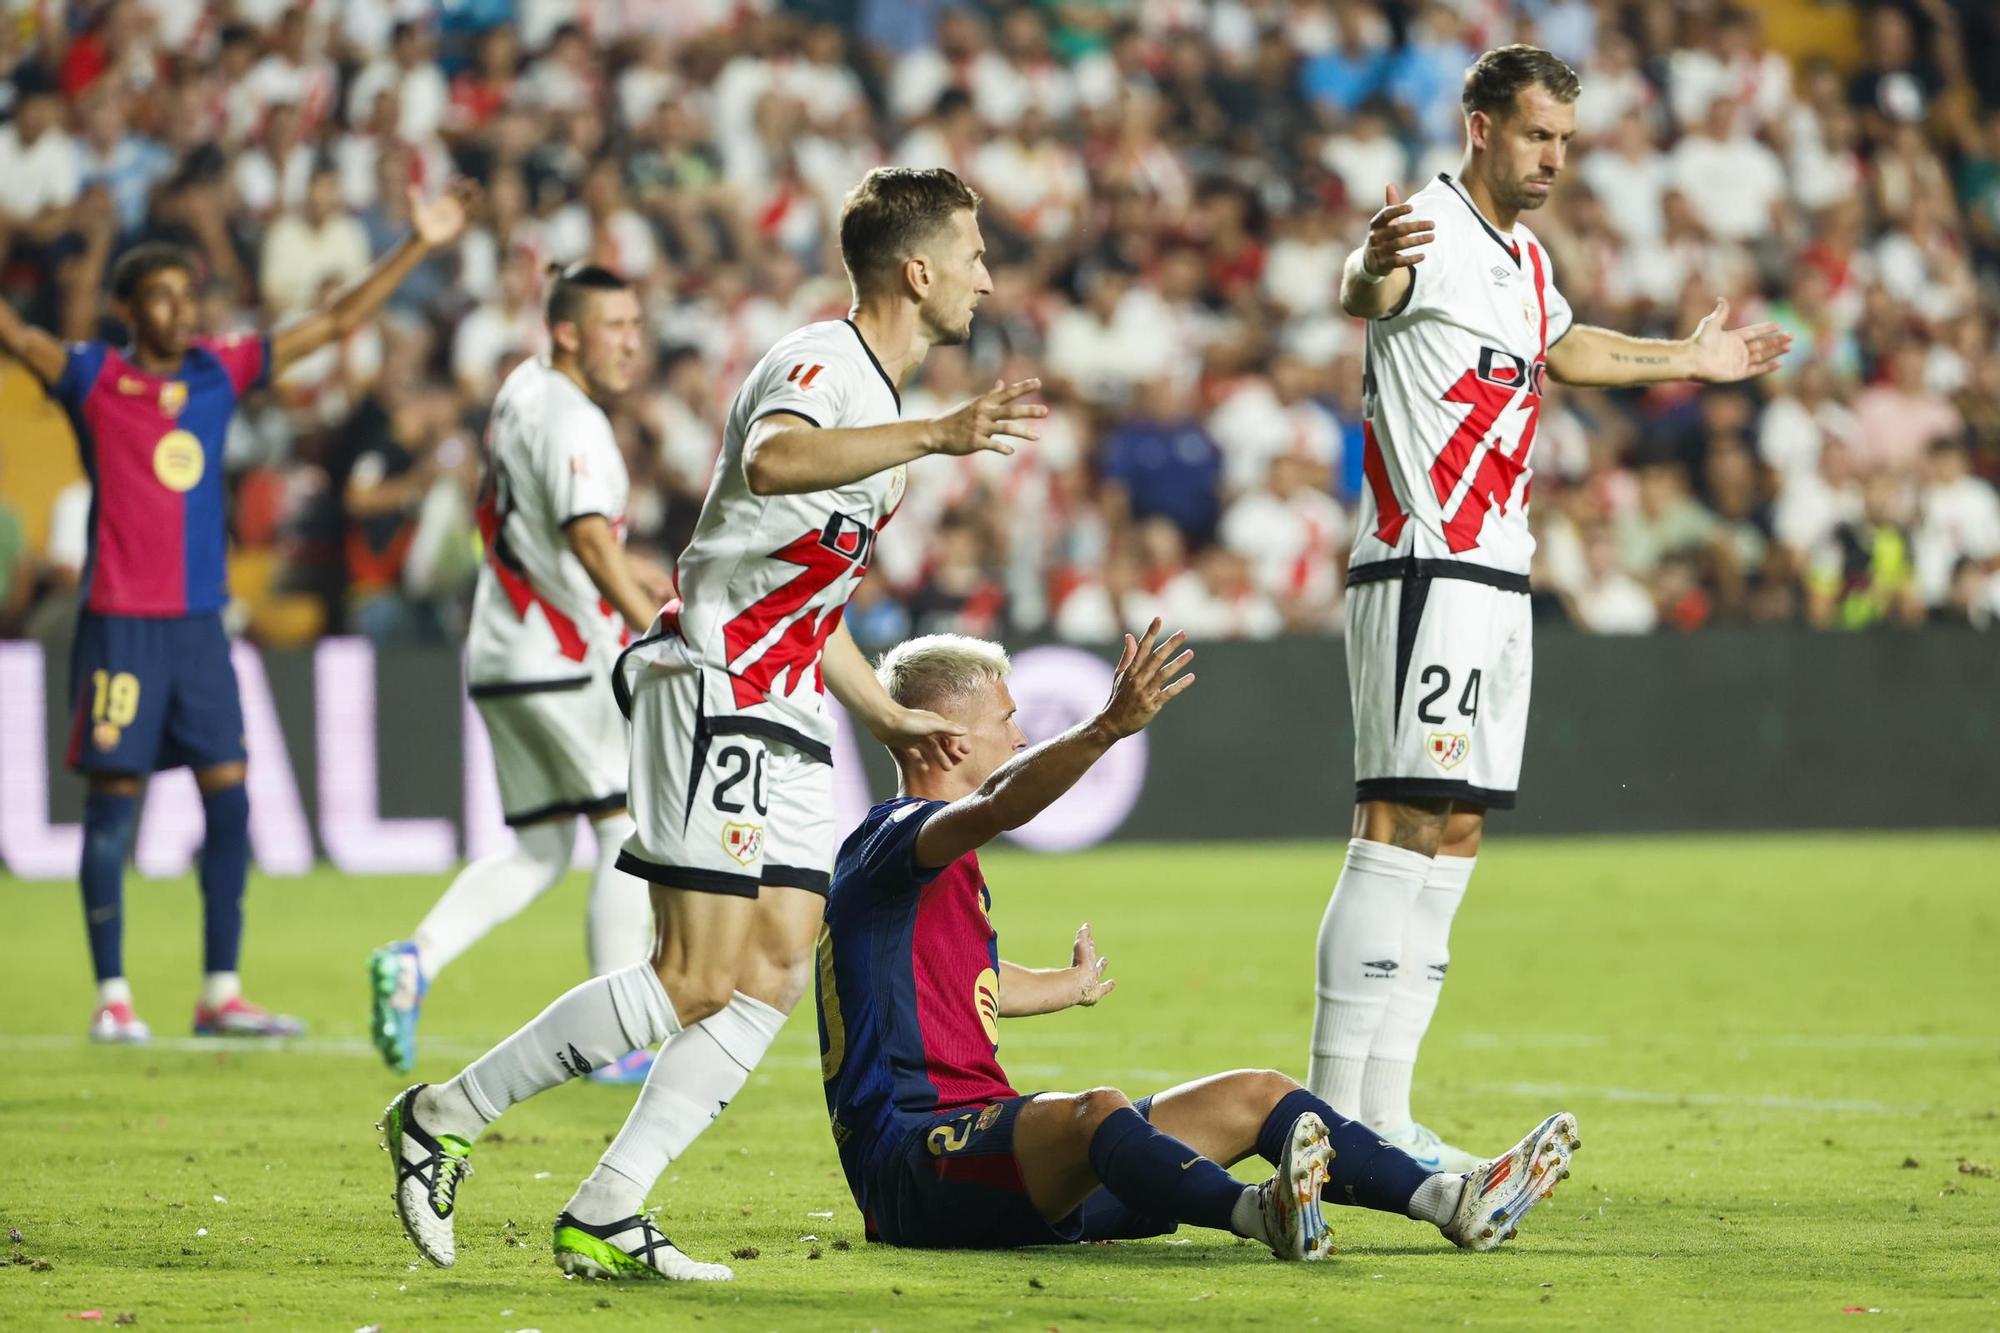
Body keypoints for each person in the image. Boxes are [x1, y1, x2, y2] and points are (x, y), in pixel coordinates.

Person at [378, 167, 1048, 1280]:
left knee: (774, 970)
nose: (987, 277)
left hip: (787, 703)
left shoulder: (883, 419)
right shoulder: (822, 363)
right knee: (692, 974)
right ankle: (441, 1115)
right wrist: (936, 435)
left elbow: (811, 601)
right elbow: (768, 458)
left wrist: (887, 713)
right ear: (918, 270)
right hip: (714, 683)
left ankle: (609, 1207)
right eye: (973, 255)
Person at [1321, 45, 1790, 1169]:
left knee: (1458, 827)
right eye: (1537, 134)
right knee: (1398, 818)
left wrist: (1689, 358)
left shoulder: (1527, 260)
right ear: (1480, 126)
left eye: (1565, 141)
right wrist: (1368, 260)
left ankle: (1386, 1113)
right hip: (1426, 561)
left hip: (1499, 572)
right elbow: (1365, 291)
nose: (1553, 159)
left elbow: (1562, 347)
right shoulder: (1426, 230)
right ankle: (1327, 1120)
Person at [818, 627, 1580, 1257]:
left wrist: (1066, 985)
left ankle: (1451, 1198)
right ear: (949, 739)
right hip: (918, 1167)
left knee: (1257, 1093)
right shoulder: (896, 836)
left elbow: (964, 981)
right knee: (1093, 1110)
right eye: (1007, 719)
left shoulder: (918, 865)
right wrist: (1105, 727)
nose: (1021, 735)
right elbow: (998, 803)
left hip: (996, 1170)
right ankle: (1258, 1211)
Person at [0, 183, 475, 1044]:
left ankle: (220, 991)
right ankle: (113, 996)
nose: (181, 311)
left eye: (188, 295)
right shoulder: (95, 377)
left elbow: (334, 323)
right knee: (112, 806)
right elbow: (18, 335)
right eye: (161, 297)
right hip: (122, 621)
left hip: (201, 627)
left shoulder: (221, 370)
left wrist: (417, 242)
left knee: (230, 801)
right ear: (126, 310)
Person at [365, 264, 673, 1083]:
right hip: (562, 657)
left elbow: (551, 529)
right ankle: (615, 1038)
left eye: (636, 325)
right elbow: (587, 539)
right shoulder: (576, 420)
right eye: (614, 325)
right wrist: (656, 633)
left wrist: (627, 570)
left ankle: (416, 958)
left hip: (502, 650)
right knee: (626, 826)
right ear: (567, 331)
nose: (631, 342)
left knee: (540, 846)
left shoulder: (521, 390)